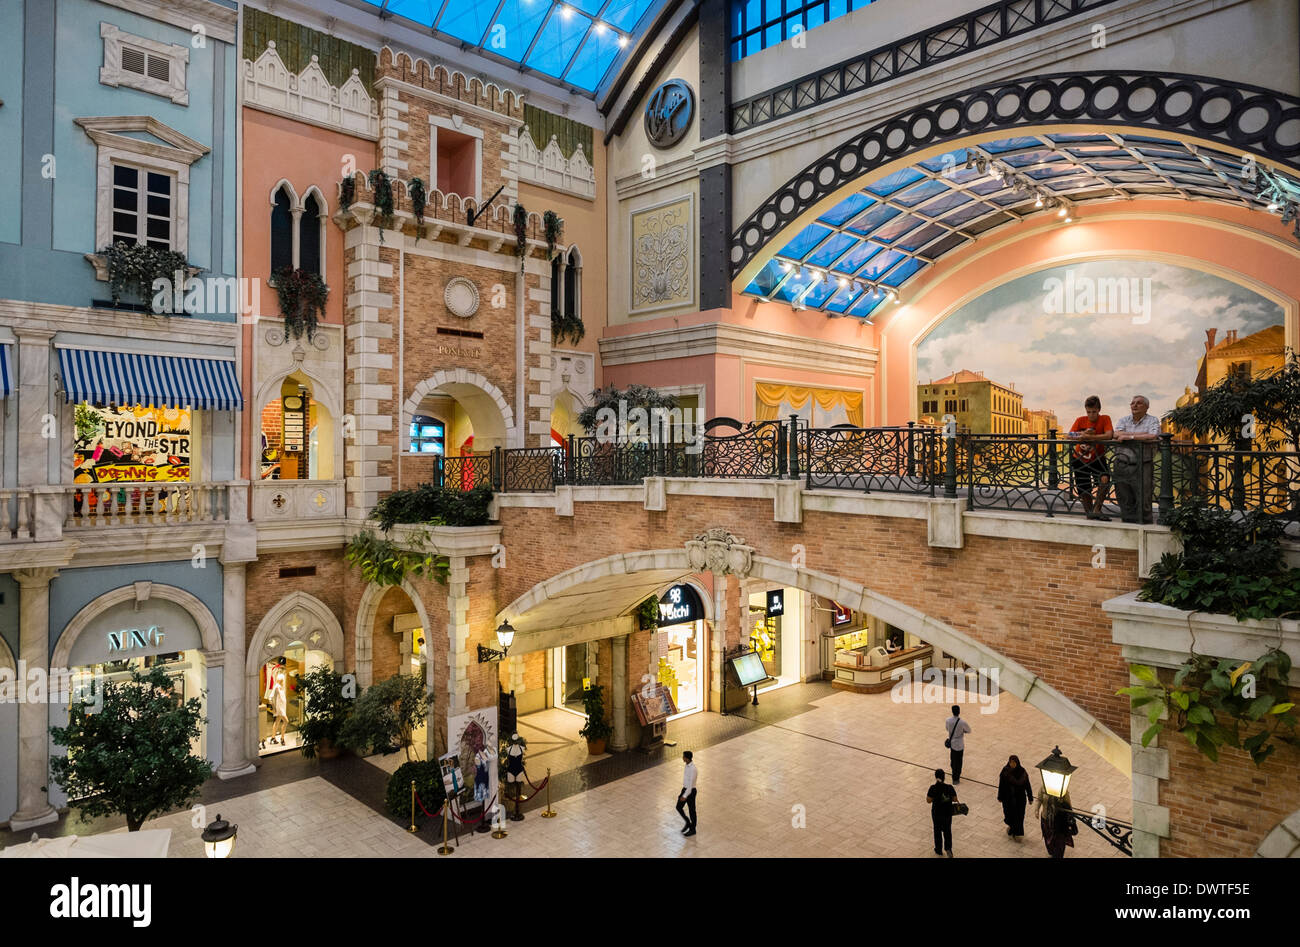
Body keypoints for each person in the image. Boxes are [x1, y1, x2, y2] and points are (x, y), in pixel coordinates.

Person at [1113, 395, 1161, 523]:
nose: (1134, 405)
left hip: (1142, 464)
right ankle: (1128, 526)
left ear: (1146, 407)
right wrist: (1141, 435)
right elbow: (1116, 434)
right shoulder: (1124, 420)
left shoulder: (1153, 420)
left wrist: (1130, 437)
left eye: (1138, 403)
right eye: (1132, 403)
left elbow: (1152, 435)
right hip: (1122, 464)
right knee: (1124, 498)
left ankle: (1144, 526)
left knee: (1144, 498)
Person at [1067, 396, 1114, 520]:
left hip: (1098, 458)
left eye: (1094, 412)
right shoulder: (1080, 420)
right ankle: (1089, 513)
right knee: (1084, 487)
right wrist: (1083, 435)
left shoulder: (1105, 418)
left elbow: (1109, 435)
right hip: (1079, 458)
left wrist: (1093, 438)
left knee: (1105, 479)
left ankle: (1097, 509)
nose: (1091, 415)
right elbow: (1069, 435)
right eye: (1088, 412)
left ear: (1099, 409)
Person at [997, 755, 1034, 842]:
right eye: (1011, 762)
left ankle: (1018, 833)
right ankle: (1012, 829)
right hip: (1008, 799)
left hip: (1020, 799)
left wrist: (1030, 797)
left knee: (1019, 816)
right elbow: (1001, 785)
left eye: (1014, 762)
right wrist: (1000, 796)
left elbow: (1027, 785)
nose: (1012, 764)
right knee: (1009, 815)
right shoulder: (1005, 772)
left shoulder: (1022, 772)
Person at [926, 768, 957, 857]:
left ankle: (938, 849)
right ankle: (948, 848)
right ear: (944, 777)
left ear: (936, 777)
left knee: (937, 831)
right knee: (947, 831)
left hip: (937, 814)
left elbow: (928, 800)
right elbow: (955, 799)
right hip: (947, 813)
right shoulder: (949, 787)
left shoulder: (933, 788)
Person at [1038, 790, 1078, 858]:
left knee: (1059, 848)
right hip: (1048, 822)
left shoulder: (1063, 790)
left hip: (1060, 828)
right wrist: (1037, 810)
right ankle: (1053, 853)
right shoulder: (1044, 787)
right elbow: (1039, 799)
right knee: (1050, 841)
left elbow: (1069, 807)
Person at [944, 705, 971, 783]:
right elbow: (969, 730)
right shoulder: (962, 722)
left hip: (952, 743)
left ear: (952, 711)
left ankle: (953, 774)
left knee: (953, 760)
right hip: (960, 744)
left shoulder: (948, 720)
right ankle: (957, 778)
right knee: (959, 761)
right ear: (959, 712)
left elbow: (947, 728)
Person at [676, 750, 698, 836]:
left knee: (692, 811)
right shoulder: (687, 765)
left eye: (683, 756)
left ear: (687, 758)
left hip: (690, 791)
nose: (682, 758)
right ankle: (688, 822)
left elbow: (691, 784)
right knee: (678, 807)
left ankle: (693, 829)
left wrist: (685, 795)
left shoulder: (693, 769)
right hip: (685, 789)